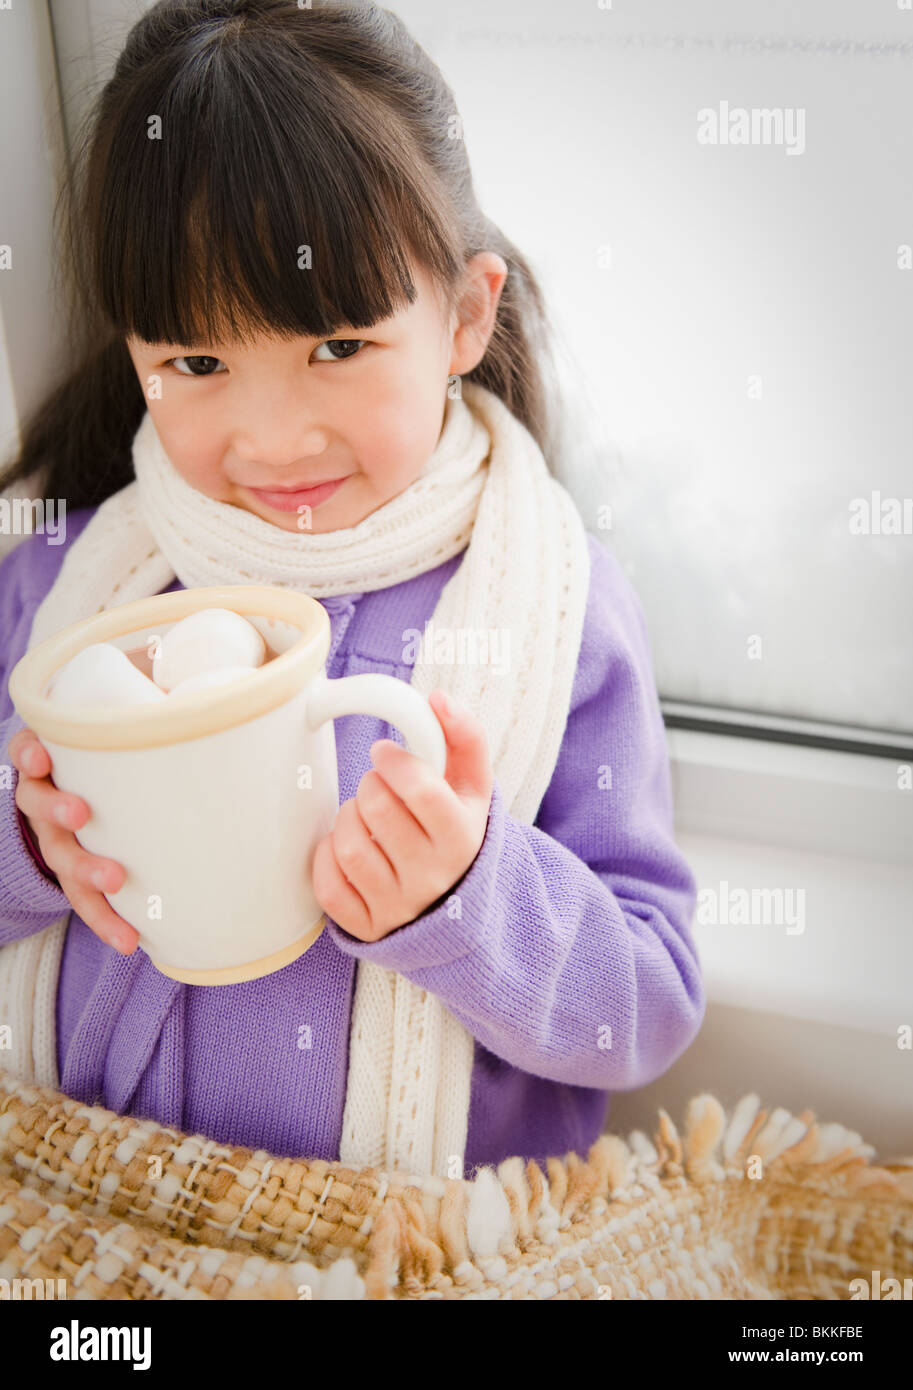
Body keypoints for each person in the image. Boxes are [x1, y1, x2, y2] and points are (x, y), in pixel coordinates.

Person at [0, 0, 704, 1179]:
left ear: (465, 314)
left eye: (336, 346)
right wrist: (25, 839)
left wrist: (468, 897)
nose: (273, 439)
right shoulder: (65, 585)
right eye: (195, 362)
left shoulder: (554, 610)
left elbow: (644, 1004)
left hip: (390, 1248)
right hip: (89, 1219)